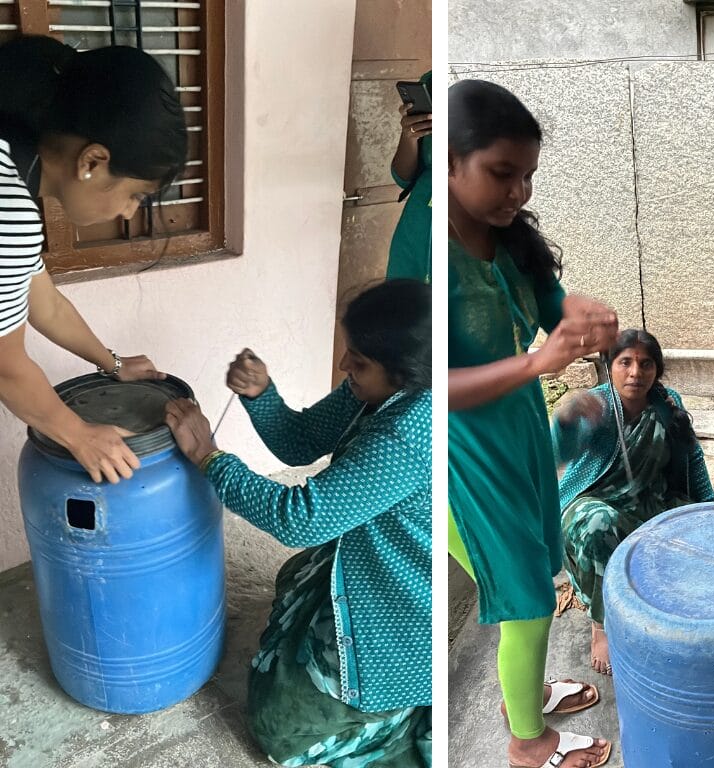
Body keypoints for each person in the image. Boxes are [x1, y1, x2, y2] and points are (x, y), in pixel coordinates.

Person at [164, 279, 432, 768]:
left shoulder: (413, 430)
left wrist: (208, 457)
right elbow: (302, 439)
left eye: (359, 361)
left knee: (279, 728)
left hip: (408, 608)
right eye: (350, 351)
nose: (345, 365)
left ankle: (399, 708)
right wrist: (261, 393)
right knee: (296, 581)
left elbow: (301, 519)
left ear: (406, 371)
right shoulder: (378, 390)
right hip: (368, 555)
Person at [448, 79, 617, 768]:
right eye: (500, 173)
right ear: (452, 162)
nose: (518, 192)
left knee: (535, 581)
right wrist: (537, 363)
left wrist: (582, 314)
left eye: (526, 177)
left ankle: (525, 693)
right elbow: (430, 388)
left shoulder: (508, 240)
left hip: (514, 436)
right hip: (462, 458)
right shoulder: (432, 254)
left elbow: (553, 309)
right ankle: (527, 743)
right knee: (524, 601)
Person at [0, 35, 186, 483]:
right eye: (135, 195)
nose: (128, 212)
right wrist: (79, 436)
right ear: (93, 161)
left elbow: (44, 301)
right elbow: (5, 365)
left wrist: (113, 363)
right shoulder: (8, 207)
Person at [552, 328, 714, 676]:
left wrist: (709, 508)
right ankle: (602, 623)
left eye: (645, 364)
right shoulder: (596, 405)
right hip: (596, 503)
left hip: (651, 501)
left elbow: (691, 458)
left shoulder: (668, 404)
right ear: (609, 366)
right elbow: (557, 453)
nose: (635, 373)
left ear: (657, 369)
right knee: (598, 525)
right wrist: (565, 421)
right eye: (625, 362)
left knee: (702, 539)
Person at [387, 71, 432, 282]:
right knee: (405, 308)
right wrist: (409, 136)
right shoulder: (431, 82)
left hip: (467, 221)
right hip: (418, 226)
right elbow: (402, 178)